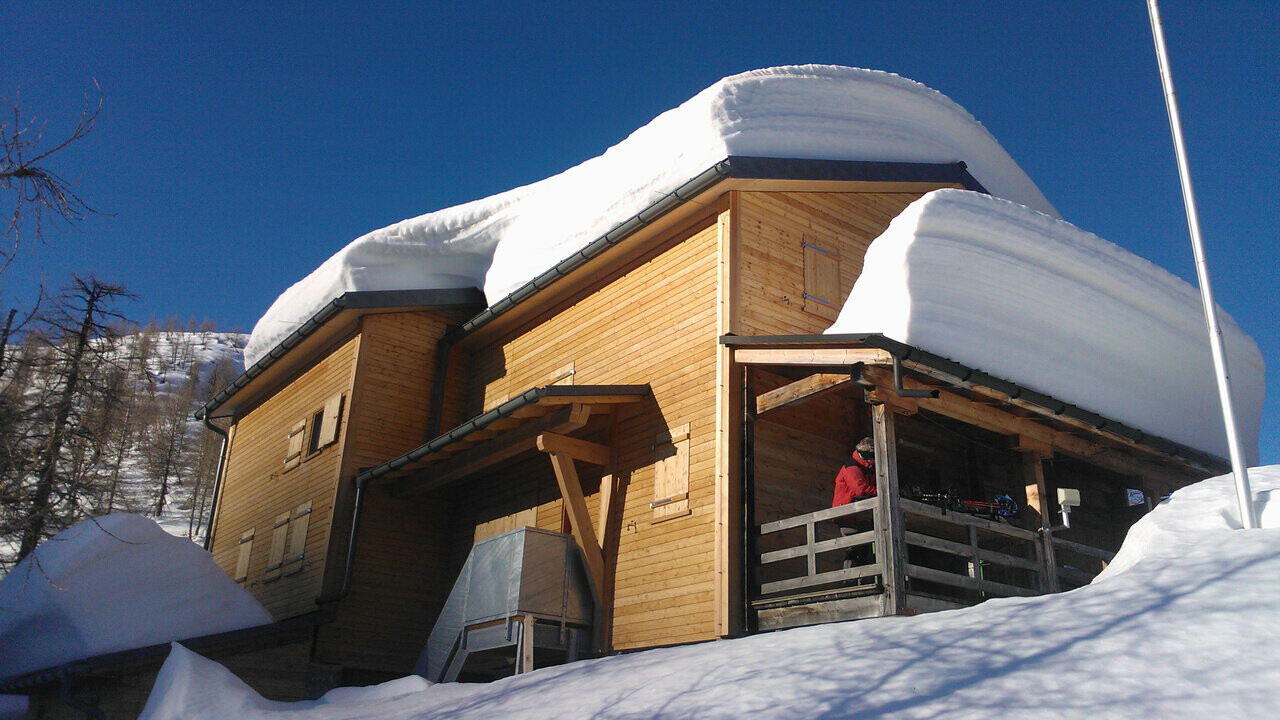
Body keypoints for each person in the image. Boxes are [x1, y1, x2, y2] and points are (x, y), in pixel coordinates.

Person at [832, 437, 877, 570]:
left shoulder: (867, 467)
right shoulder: (851, 467)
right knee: (854, 547)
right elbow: (860, 490)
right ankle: (850, 581)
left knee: (864, 547)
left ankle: (861, 579)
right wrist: (881, 491)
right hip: (847, 514)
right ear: (868, 456)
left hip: (860, 513)